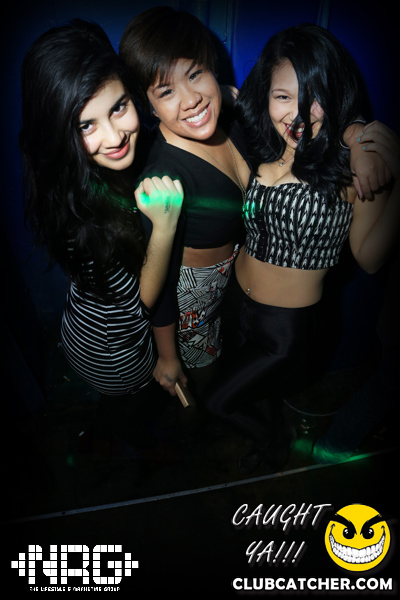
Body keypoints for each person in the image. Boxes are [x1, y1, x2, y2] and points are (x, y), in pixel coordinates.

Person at [119, 8, 385, 405]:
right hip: (193, 304)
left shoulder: (233, 120)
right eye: (166, 91)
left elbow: (316, 105)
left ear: (212, 69)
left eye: (196, 74)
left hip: (243, 299)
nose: (191, 99)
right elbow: (161, 281)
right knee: (204, 397)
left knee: (235, 391)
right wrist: (168, 355)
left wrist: (359, 135)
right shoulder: (162, 177)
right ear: (149, 106)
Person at [202, 24, 400, 473]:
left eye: (315, 98)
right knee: (258, 394)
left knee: (216, 402)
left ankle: (275, 438)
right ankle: (271, 439)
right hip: (234, 302)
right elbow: (220, 100)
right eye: (283, 96)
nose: (298, 115)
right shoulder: (260, 141)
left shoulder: (354, 167)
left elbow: (370, 259)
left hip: (285, 329)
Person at [20, 19, 184, 456]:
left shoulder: (74, 172)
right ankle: (127, 447)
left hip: (82, 325)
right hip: (114, 351)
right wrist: (165, 225)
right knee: (132, 408)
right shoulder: (84, 214)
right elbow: (140, 302)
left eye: (118, 107)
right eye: (85, 126)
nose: (114, 137)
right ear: (59, 132)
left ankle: (105, 432)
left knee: (117, 409)